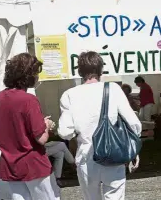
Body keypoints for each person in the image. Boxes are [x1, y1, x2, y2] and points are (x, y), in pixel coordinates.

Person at [58, 51, 141, 200]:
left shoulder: (69, 94)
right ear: (101, 70)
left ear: (79, 71)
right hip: (113, 153)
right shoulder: (113, 89)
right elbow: (134, 124)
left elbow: (65, 132)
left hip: (86, 157)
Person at [0, 53, 60, 200]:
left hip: (10, 164)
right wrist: (46, 124)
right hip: (33, 164)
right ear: (28, 75)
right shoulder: (29, 100)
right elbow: (41, 138)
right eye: (36, 73)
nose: (37, 77)